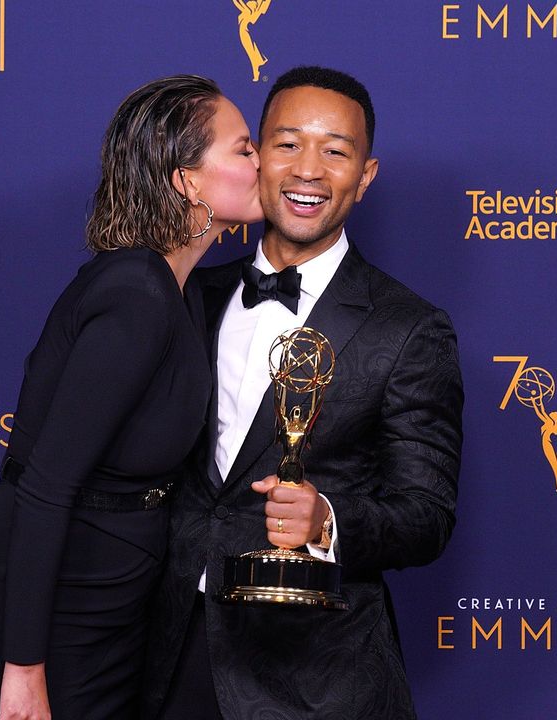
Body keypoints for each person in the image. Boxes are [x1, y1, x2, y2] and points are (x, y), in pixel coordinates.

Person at [146, 66, 464, 720]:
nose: (308, 170)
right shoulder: (185, 298)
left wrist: (330, 522)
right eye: (288, 144)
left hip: (315, 683)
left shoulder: (409, 329)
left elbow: (426, 514)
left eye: (336, 151)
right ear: (256, 156)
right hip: (164, 660)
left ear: (366, 175)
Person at [0, 75, 263, 720]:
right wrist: (24, 669)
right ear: (187, 181)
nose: (263, 163)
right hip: (54, 608)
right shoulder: (137, 291)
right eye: (243, 148)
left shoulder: (182, 292)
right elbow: (45, 484)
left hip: (117, 594)